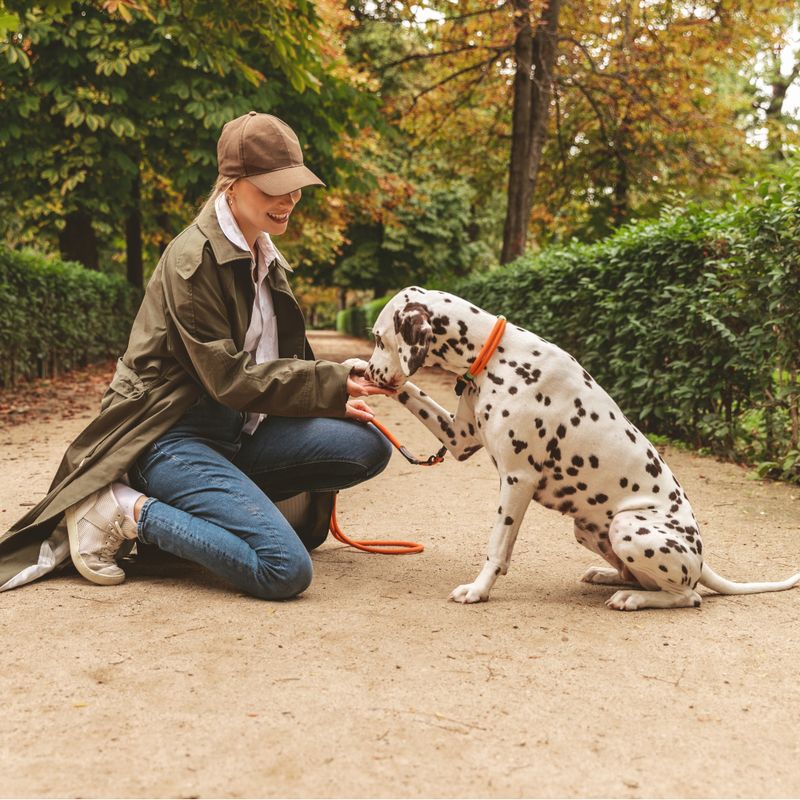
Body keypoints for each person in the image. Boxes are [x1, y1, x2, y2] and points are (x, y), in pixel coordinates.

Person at [0, 111, 395, 599]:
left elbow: (279, 358)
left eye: (295, 186)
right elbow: (228, 378)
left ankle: (219, 506)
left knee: (367, 444)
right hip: (169, 436)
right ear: (232, 185)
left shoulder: (263, 253)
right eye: (274, 187)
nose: (290, 199)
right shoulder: (192, 261)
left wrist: (337, 378)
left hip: (237, 430)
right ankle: (126, 510)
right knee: (284, 569)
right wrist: (328, 383)